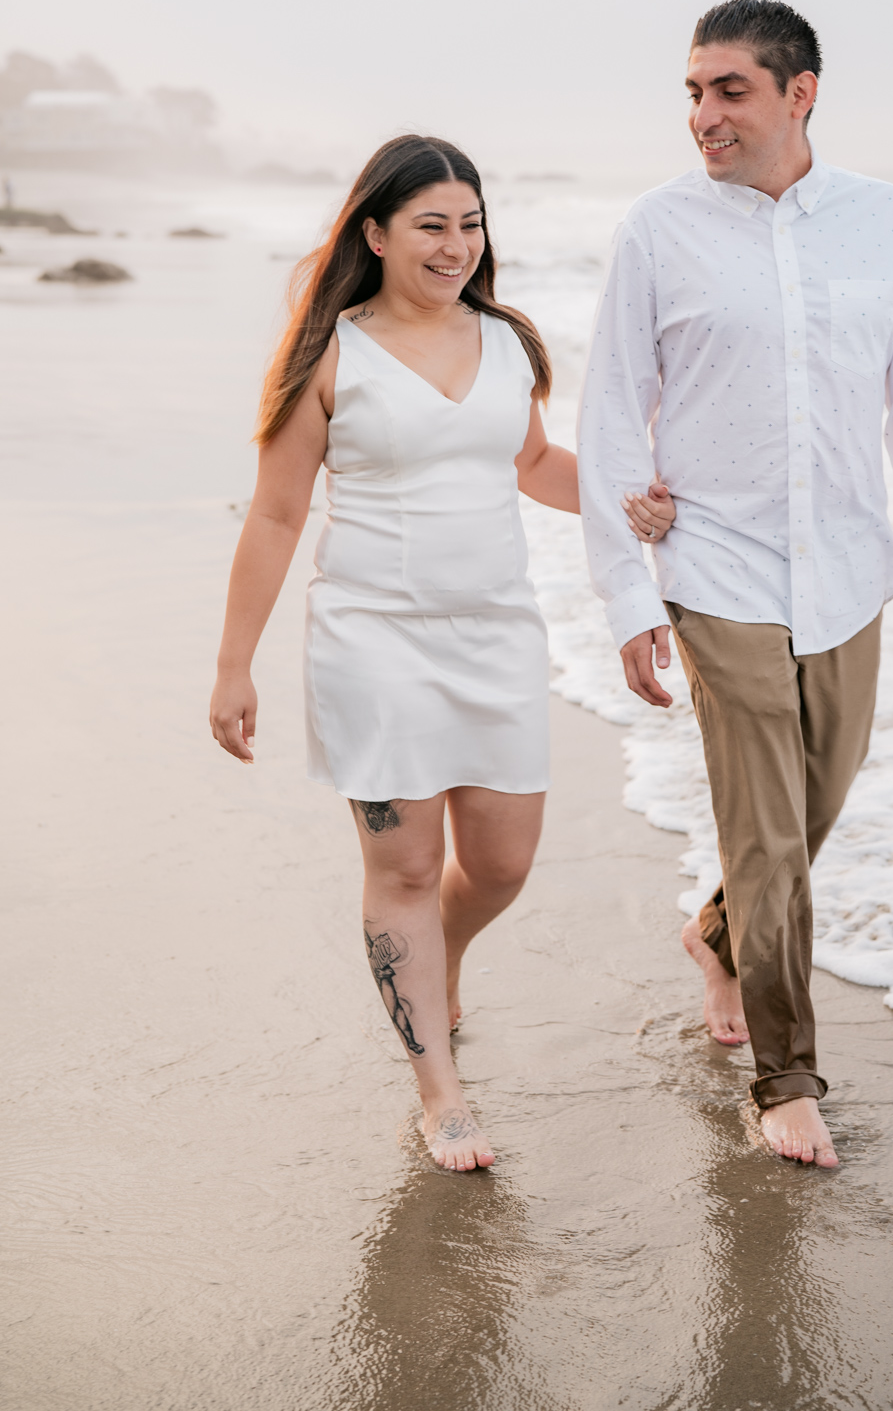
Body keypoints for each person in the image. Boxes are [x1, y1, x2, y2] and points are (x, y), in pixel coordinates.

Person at [210, 135, 676, 1172]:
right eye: (431, 225)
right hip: (370, 642)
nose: (455, 245)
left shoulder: (507, 339)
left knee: (501, 863)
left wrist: (623, 502)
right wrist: (233, 664)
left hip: (498, 634)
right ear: (373, 233)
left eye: (469, 224)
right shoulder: (330, 352)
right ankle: (441, 1091)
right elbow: (279, 516)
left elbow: (530, 462)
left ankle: (439, 959)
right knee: (406, 866)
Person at [578, 0, 893, 1169]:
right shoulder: (657, 231)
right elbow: (609, 416)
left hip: (850, 570)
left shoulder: (885, 222)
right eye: (692, 93)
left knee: (813, 806)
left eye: (728, 90)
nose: (702, 115)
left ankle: (715, 934)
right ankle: (783, 1074)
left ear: (798, 92)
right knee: (764, 831)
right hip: (714, 563)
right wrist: (626, 595)